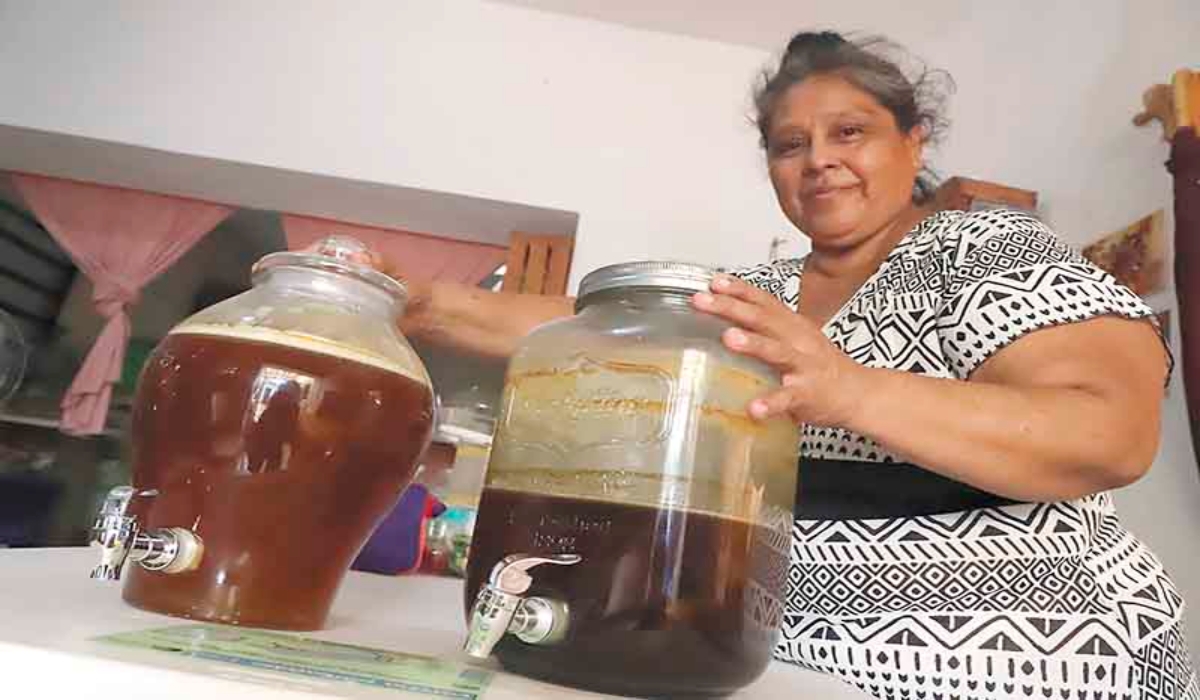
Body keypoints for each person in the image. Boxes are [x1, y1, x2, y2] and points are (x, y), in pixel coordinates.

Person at [372, 31, 1198, 699]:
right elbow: (591, 330)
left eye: (851, 132)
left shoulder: (985, 247)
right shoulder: (756, 293)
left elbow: (1109, 433)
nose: (818, 160)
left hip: (1040, 667)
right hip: (780, 664)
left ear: (915, 141)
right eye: (789, 144)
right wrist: (426, 306)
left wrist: (847, 389)